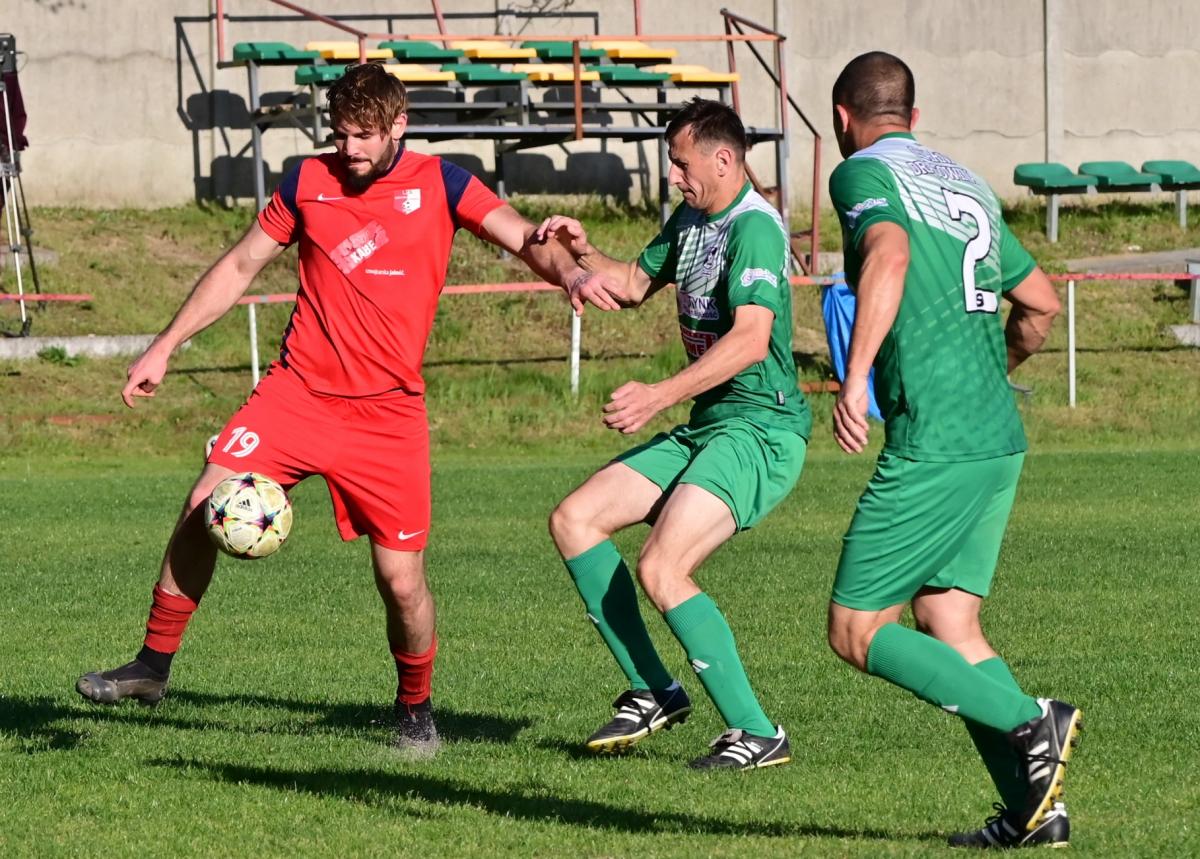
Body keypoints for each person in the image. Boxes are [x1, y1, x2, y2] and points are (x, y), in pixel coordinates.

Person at [75, 62, 601, 756]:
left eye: (363, 135)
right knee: (204, 502)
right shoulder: (306, 182)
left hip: (387, 417)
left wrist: (571, 271)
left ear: (398, 127)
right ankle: (151, 665)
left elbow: (525, 237)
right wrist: (165, 346)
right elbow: (239, 266)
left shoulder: (442, 182)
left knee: (401, 582)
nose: (348, 148)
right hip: (296, 394)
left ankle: (415, 708)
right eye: (339, 134)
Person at [825, 52, 1081, 847]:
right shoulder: (965, 181)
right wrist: (989, 374)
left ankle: (1030, 718)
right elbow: (1039, 305)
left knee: (855, 627)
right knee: (948, 618)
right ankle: (1035, 812)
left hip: (935, 439)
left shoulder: (862, 174)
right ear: (915, 115)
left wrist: (854, 378)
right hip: (997, 437)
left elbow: (890, 255)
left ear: (842, 118)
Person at [539, 98, 810, 770]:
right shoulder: (691, 220)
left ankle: (757, 732)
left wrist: (658, 395)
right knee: (575, 519)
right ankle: (655, 689)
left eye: (682, 164)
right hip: (710, 426)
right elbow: (633, 283)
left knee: (662, 566)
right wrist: (581, 251)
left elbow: (751, 340)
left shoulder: (755, 229)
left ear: (723, 159)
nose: (673, 176)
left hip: (761, 430)